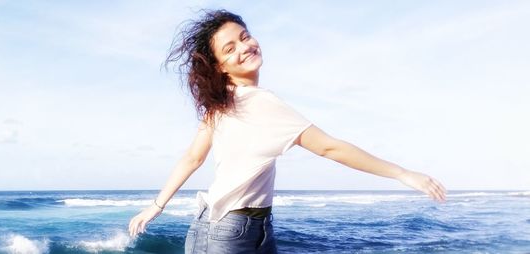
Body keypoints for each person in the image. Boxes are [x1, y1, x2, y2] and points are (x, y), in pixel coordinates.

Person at [128, 9, 446, 254]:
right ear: (221, 67)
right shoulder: (261, 103)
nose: (245, 46)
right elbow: (330, 148)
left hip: (209, 228)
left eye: (245, 36)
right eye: (230, 48)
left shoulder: (222, 104)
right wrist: (403, 173)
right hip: (236, 232)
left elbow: (192, 158)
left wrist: (156, 206)